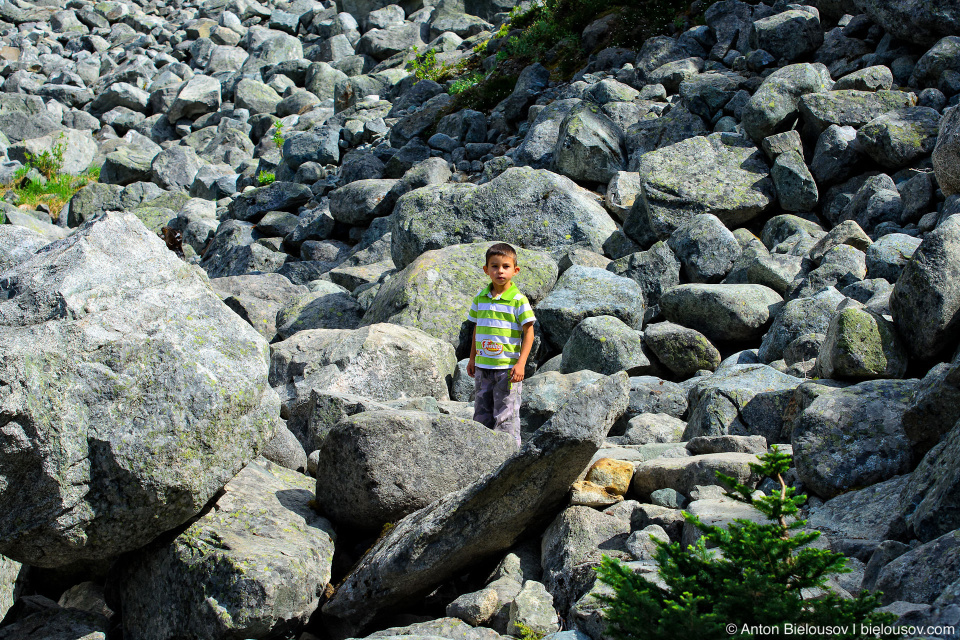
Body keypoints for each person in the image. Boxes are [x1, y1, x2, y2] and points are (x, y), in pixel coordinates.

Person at [466, 242, 535, 446]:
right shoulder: (480, 298)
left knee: (506, 415)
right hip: (483, 367)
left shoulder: (518, 300)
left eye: (506, 266)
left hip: (507, 369)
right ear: (486, 270)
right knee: (481, 413)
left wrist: (521, 363)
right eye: (494, 266)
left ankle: (508, 455)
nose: (500, 271)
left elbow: (529, 332)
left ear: (515, 270)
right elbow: (477, 329)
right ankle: (481, 452)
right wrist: (472, 358)